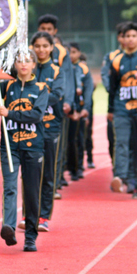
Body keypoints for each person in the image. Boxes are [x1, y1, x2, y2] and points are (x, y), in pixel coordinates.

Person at [0, 49, 49, 252]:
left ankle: (30, 237)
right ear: (15, 64)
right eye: (19, 60)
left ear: (34, 65)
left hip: (33, 147)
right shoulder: (7, 86)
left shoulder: (41, 88)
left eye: (28, 61)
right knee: (9, 187)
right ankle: (8, 226)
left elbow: (36, 115)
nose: (23, 64)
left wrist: (9, 113)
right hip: (10, 147)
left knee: (31, 192)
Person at [108, 21, 137, 200]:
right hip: (121, 109)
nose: (130, 39)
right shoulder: (116, 60)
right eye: (127, 36)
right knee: (121, 142)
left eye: (134, 36)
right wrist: (110, 109)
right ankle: (121, 176)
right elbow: (112, 88)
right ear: (122, 39)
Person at [37, 14, 76, 192]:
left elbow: (68, 77)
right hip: (34, 106)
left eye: (49, 30)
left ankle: (56, 180)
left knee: (56, 144)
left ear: (55, 32)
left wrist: (68, 101)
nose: (46, 32)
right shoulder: (31, 50)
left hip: (56, 104)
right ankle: (37, 180)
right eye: (43, 29)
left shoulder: (61, 52)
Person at [31, 31, 64, 229]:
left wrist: (35, 100)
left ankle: (43, 216)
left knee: (48, 175)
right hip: (28, 128)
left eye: (45, 46)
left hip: (51, 127)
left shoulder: (57, 71)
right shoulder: (27, 68)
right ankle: (28, 216)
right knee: (29, 175)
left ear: (51, 48)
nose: (41, 50)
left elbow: (58, 94)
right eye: (37, 46)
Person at [101, 22, 130, 165]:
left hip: (136, 103)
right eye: (123, 36)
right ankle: (117, 167)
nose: (127, 39)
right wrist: (112, 89)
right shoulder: (111, 56)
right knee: (113, 137)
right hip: (116, 101)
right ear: (119, 38)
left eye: (130, 36)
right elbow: (105, 75)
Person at [66, 41, 93, 180]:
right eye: (69, 52)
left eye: (74, 52)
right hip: (68, 110)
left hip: (81, 109)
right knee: (68, 140)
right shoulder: (64, 67)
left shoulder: (84, 69)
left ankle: (79, 167)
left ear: (79, 53)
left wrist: (86, 108)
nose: (71, 55)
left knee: (80, 139)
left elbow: (88, 90)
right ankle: (70, 167)